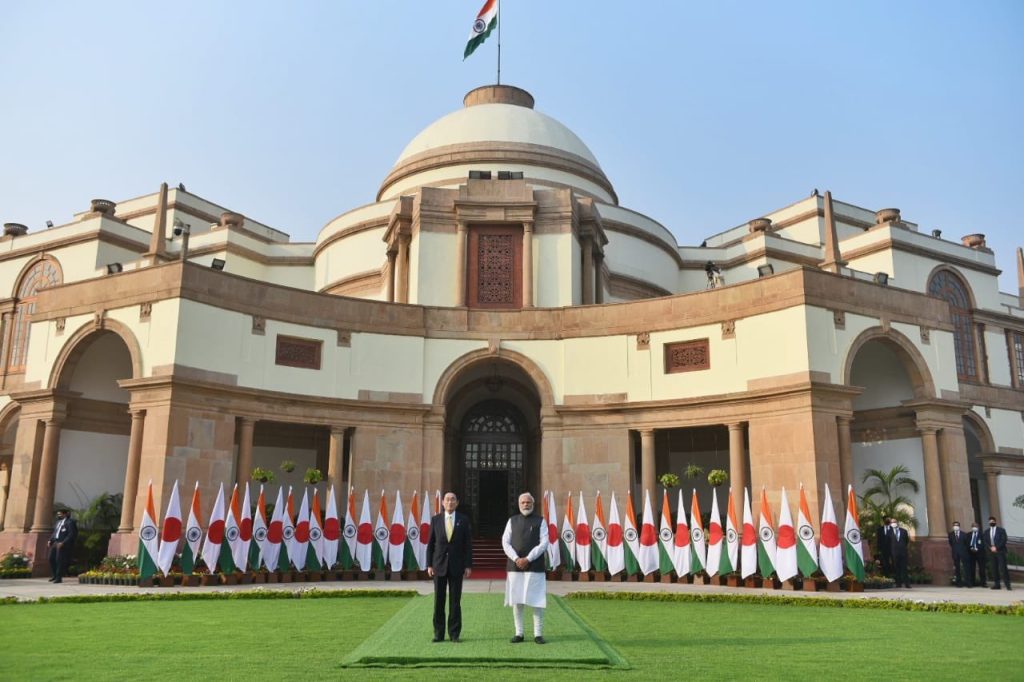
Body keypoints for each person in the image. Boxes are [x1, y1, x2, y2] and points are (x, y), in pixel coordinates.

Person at [502, 492, 549, 645]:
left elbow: (544, 543)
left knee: (536, 600)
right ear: (519, 504)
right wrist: (516, 559)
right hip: (515, 567)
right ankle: (519, 633)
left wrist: (528, 558)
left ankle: (538, 634)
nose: (526, 504)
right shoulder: (512, 521)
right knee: (517, 600)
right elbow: (505, 542)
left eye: (528, 502)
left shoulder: (540, 521)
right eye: (523, 502)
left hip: (534, 566)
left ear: (533, 504)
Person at [426, 491, 473, 642]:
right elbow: (430, 544)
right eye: (447, 499)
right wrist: (429, 564)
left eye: (453, 499)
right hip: (438, 565)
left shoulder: (463, 520)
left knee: (455, 601)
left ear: (457, 503)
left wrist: (468, 565)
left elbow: (467, 545)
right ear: (442, 503)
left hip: (456, 566)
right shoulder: (436, 520)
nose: (450, 502)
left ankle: (454, 634)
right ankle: (438, 634)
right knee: (438, 601)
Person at [47, 506, 78, 584]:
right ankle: (54, 575)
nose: (58, 516)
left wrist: (63, 542)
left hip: (62, 544)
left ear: (65, 514)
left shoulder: (70, 522)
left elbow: (71, 534)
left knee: (59, 560)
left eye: (60, 514)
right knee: (51, 559)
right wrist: (50, 540)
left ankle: (58, 577)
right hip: (55, 542)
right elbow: (55, 532)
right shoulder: (58, 522)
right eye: (58, 514)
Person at [983, 516, 1011, 591]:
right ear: (988, 522)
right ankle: (997, 584)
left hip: (1000, 551)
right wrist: (990, 547)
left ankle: (1008, 585)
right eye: (990, 521)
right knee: (994, 568)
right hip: (991, 552)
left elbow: (1003, 540)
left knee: (1003, 568)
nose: (991, 522)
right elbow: (985, 541)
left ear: (995, 522)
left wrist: (996, 547)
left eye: (993, 521)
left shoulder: (1001, 530)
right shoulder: (986, 532)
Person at [947, 521, 969, 587]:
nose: (955, 527)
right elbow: (951, 543)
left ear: (959, 526)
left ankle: (968, 582)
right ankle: (959, 583)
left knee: (966, 568)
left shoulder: (964, 534)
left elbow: (966, 544)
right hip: (955, 553)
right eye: (954, 525)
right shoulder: (950, 535)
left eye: (957, 525)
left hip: (963, 553)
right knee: (957, 569)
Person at [889, 519, 910, 588]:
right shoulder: (889, 532)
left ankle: (907, 583)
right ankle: (898, 583)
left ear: (897, 523)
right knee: (896, 568)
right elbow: (888, 543)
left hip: (903, 552)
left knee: (904, 568)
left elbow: (906, 541)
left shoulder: (904, 531)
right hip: (894, 553)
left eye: (894, 522)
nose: (893, 523)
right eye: (892, 522)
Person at [967, 521, 987, 587]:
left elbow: (984, 544)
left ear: (978, 527)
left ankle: (983, 583)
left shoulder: (982, 535)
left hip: (980, 553)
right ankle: (972, 583)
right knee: (972, 568)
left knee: (982, 568)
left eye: (975, 526)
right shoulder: (968, 534)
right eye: (973, 526)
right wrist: (971, 548)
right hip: (971, 553)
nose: (974, 527)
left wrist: (977, 549)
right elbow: (966, 543)